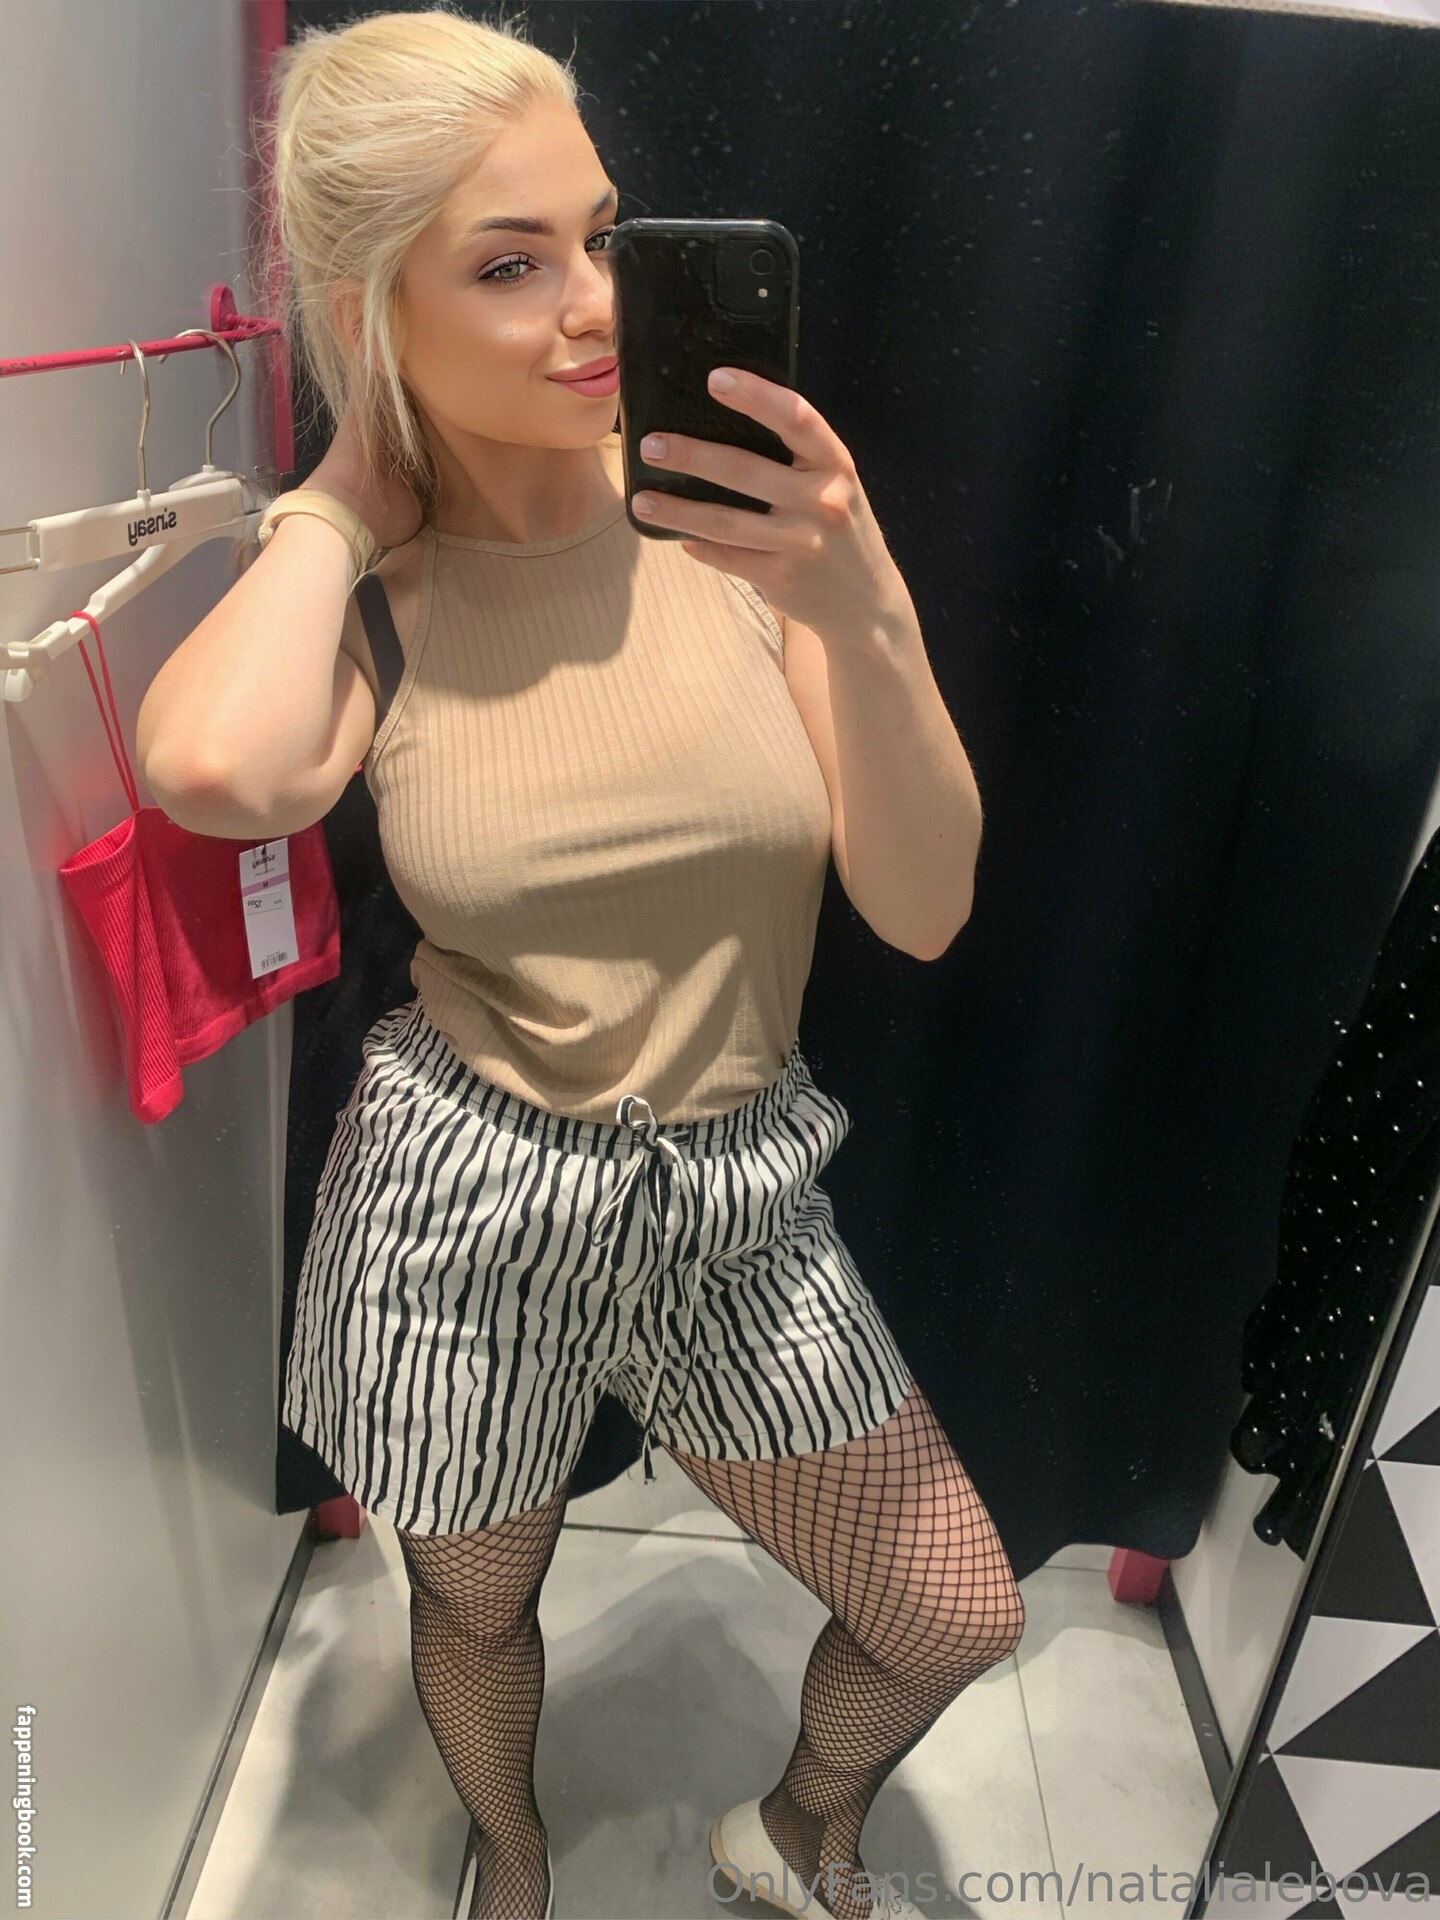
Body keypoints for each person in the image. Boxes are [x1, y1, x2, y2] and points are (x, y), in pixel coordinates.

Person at [135, 11, 1024, 1918]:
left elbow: (926, 907)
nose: (596, 305)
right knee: (477, 1601)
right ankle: (514, 1853)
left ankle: (796, 1829)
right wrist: (339, 500)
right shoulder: (371, 597)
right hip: (463, 1198)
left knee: (952, 1607)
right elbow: (213, 770)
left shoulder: (746, 529)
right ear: (374, 309)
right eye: (508, 265)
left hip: (735, 1196)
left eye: (602, 234)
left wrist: (860, 596)